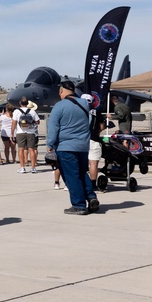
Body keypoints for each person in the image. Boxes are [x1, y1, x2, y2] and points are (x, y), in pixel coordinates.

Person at [46, 80, 99, 215]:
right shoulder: (84, 104)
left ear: (61, 91)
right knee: (82, 173)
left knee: (72, 176)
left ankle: (79, 205)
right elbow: (89, 123)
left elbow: (53, 128)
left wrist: (50, 145)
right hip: (83, 146)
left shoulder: (59, 106)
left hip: (66, 147)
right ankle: (91, 197)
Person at [13, 98, 40, 174]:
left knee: (21, 149)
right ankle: (33, 168)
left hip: (20, 132)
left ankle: (22, 167)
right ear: (27, 103)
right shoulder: (32, 111)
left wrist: (12, 133)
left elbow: (14, 122)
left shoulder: (16, 111)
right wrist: (31, 122)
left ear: (20, 103)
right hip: (31, 132)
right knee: (31, 149)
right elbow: (38, 121)